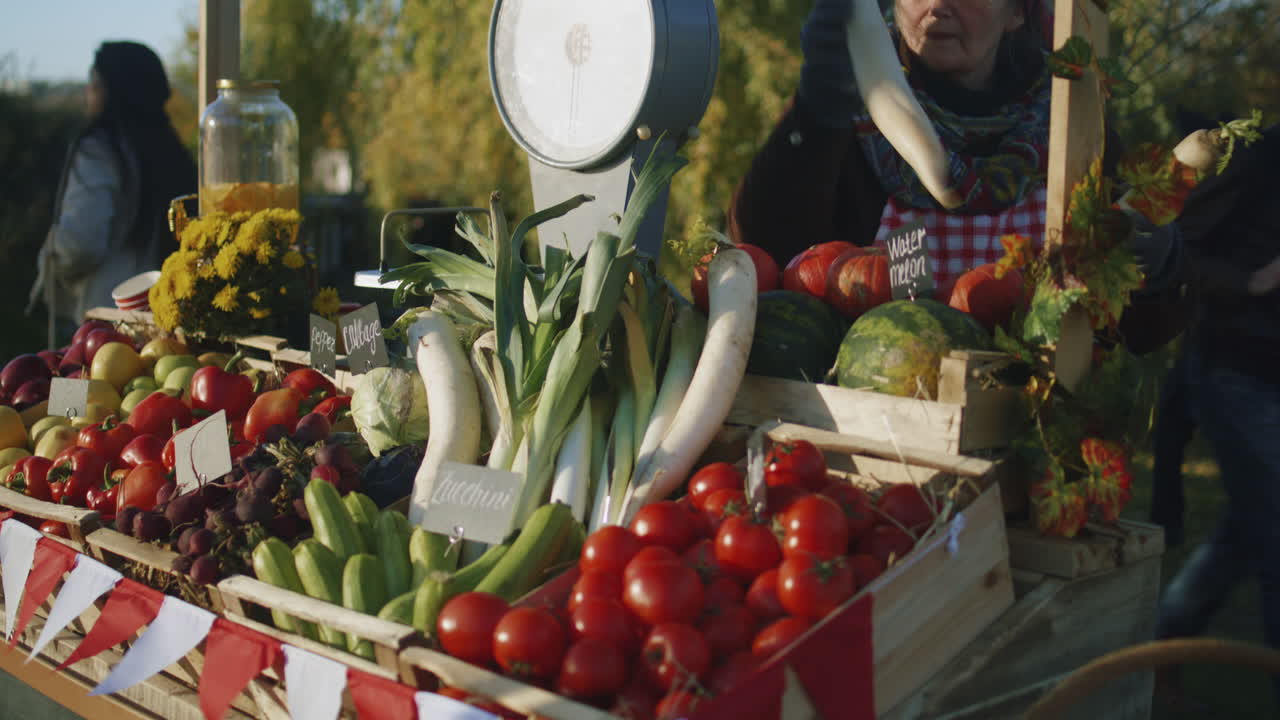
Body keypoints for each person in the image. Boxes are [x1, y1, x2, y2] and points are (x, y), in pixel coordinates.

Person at [729, 0, 1058, 289]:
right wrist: (815, 113)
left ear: (1016, 11)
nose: (938, 5)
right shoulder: (851, 104)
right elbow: (763, 248)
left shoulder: (1064, 113)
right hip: (879, 356)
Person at [1147, 123, 1280, 709]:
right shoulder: (1263, 155)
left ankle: (1160, 649)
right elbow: (1180, 249)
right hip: (1236, 369)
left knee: (1249, 532)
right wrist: (1252, 281)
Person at [26, 41, 197, 345]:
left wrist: (52, 250)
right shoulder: (170, 151)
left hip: (104, 325)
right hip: (168, 327)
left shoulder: (101, 149)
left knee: (75, 389)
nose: (87, 93)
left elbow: (81, 243)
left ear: (112, 90)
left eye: (93, 83)